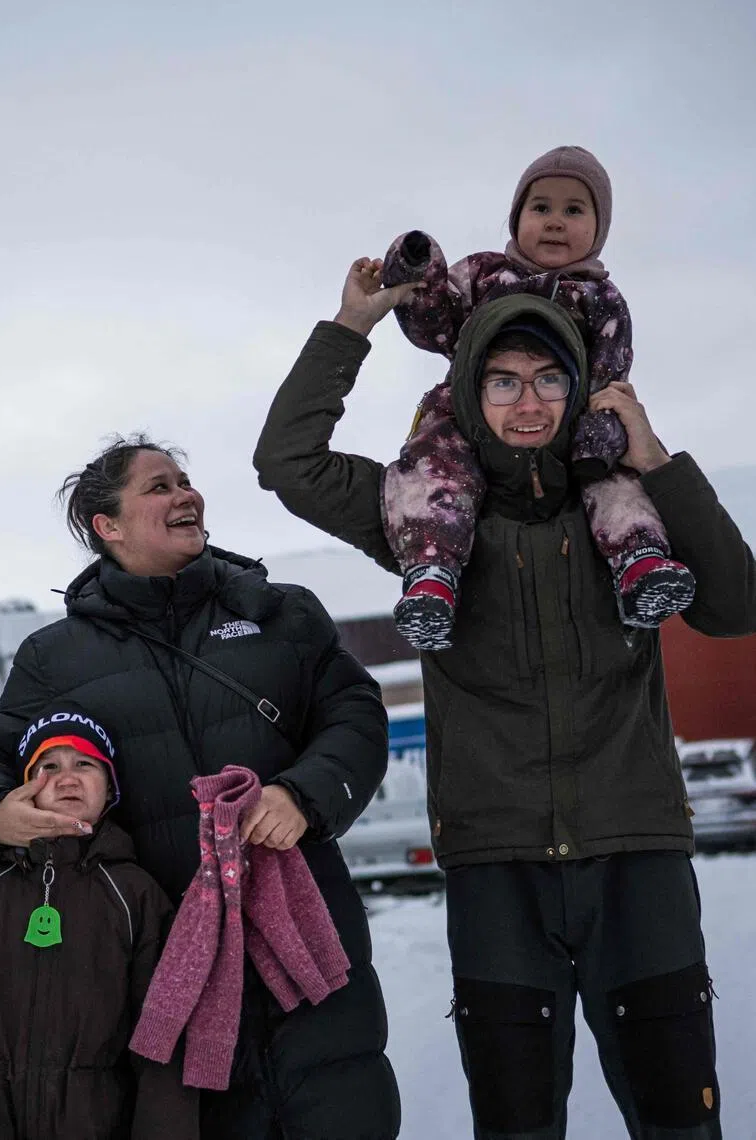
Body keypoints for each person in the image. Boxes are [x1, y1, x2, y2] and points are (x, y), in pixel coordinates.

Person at [253, 257, 756, 1139]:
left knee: (682, 1121)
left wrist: (656, 456)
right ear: (467, 394)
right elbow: (287, 461)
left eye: (550, 379)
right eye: (503, 382)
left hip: (637, 865)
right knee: (516, 1125)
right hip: (498, 878)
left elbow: (734, 605)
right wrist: (351, 328)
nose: (528, 402)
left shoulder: (628, 516)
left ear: (580, 389)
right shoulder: (423, 519)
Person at [0, 435, 401, 1139]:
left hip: (308, 936)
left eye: (185, 481)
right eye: (159, 487)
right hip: (172, 960)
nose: (186, 495)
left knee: (344, 1112)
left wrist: (304, 795)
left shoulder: (280, 612)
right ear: (109, 526)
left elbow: (356, 712)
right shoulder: (55, 656)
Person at [377, 145, 694, 649]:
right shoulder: (484, 274)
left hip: (573, 421)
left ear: (599, 226)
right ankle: (432, 575)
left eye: (574, 210)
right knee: (429, 473)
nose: (555, 222)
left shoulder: (602, 300)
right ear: (517, 216)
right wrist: (415, 266)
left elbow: (609, 375)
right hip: (469, 416)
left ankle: (641, 563)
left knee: (618, 483)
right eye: (540, 207)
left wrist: (596, 446)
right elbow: (433, 325)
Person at [0, 701, 198, 1140]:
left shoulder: (137, 897)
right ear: (25, 787)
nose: (67, 777)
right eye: (48, 765)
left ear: (110, 786)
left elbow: (162, 1045)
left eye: (85, 763)